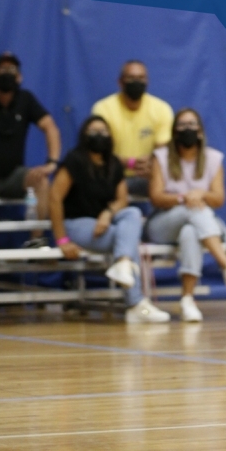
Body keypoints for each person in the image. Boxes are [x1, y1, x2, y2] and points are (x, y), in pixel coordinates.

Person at [49, 114, 170, 323]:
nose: (99, 135)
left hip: (104, 222)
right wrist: (61, 239)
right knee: (126, 239)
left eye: (103, 131)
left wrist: (107, 213)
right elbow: (54, 198)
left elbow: (122, 199)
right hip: (77, 223)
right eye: (93, 131)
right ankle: (135, 303)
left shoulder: (113, 163)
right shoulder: (75, 160)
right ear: (84, 134)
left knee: (133, 213)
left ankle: (123, 265)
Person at [145, 108, 226, 321]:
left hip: (196, 224)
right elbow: (156, 197)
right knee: (194, 209)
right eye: (182, 125)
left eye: (192, 124)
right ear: (174, 132)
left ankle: (187, 300)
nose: (187, 129)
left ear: (201, 131)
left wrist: (201, 193)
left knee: (190, 232)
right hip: (163, 223)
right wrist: (184, 197)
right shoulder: (161, 157)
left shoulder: (213, 158)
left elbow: (219, 198)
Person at [0, 52, 61, 239]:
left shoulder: (25, 99)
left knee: (41, 181)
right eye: (2, 69)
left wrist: (52, 162)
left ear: (19, 77)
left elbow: (50, 127)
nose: (7, 73)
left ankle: (36, 241)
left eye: (12, 69)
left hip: (14, 176)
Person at [92, 60, 173, 197]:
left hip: (148, 175)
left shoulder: (161, 109)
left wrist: (151, 163)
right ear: (120, 82)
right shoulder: (103, 109)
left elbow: (162, 151)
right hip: (112, 175)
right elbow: (99, 152)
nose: (136, 82)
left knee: (170, 183)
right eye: (131, 78)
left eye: (141, 78)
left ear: (147, 81)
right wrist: (130, 163)